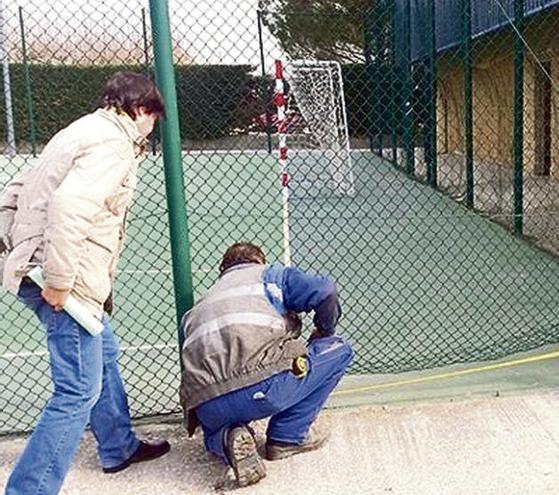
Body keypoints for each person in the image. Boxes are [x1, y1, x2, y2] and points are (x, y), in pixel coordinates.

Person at [0, 72, 170, 495]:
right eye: (154, 118)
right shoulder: (114, 143)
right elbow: (70, 205)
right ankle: (30, 490)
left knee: (103, 350)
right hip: (62, 279)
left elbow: (16, 187)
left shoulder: (79, 129)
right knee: (77, 391)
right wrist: (57, 282)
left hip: (37, 265)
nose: (152, 129)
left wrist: (10, 244)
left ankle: (117, 447)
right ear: (142, 109)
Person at [179, 242, 353, 487]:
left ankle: (228, 438)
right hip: (261, 387)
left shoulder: (197, 308)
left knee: (213, 431)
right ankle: (287, 436)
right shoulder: (271, 276)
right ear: (259, 261)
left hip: (207, 404)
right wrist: (323, 330)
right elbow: (325, 290)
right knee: (339, 350)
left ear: (223, 269)